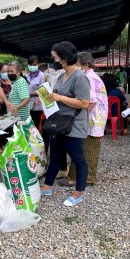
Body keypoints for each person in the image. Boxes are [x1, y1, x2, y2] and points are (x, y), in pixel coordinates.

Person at [40, 41, 90, 207]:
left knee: (78, 159)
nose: (54, 60)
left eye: (55, 57)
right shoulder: (62, 75)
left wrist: (60, 98)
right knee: (55, 156)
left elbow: (84, 103)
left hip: (74, 125)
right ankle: (47, 186)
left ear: (64, 58)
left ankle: (79, 192)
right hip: (59, 123)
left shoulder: (80, 77)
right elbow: (57, 95)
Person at [65, 52, 108, 186]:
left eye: (77, 64)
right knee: (82, 146)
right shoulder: (90, 75)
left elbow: (91, 101)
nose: (75, 67)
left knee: (87, 147)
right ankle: (75, 176)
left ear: (86, 65)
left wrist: (80, 117)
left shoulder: (87, 77)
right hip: (95, 117)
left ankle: (85, 178)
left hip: (92, 117)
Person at [26, 55, 45, 127]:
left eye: (34, 65)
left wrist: (29, 94)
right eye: (30, 65)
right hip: (27, 107)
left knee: (36, 127)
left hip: (37, 107)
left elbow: (43, 91)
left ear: (39, 64)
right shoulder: (26, 77)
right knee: (28, 128)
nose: (32, 66)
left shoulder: (42, 76)